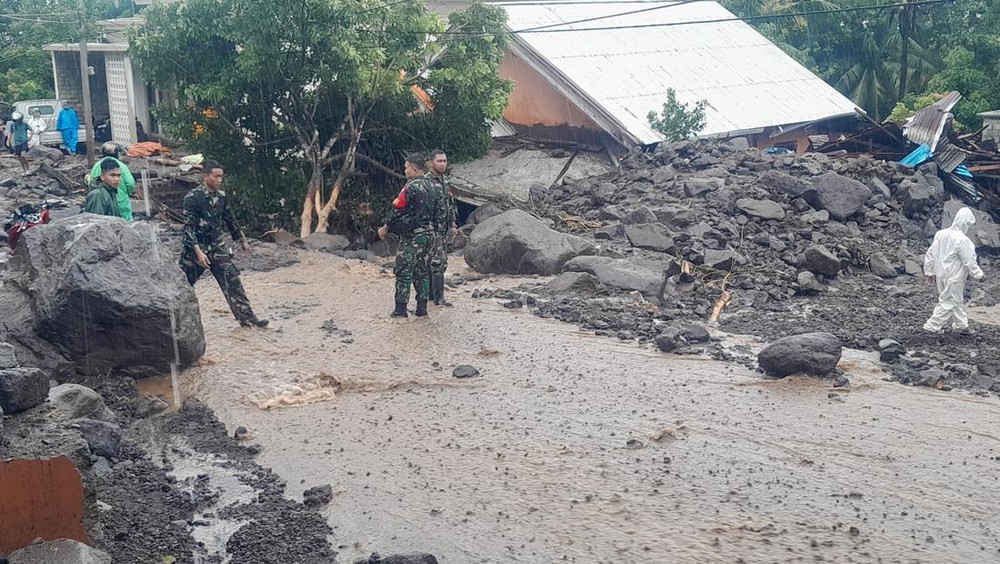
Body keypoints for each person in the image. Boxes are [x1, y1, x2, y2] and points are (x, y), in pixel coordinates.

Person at [179, 160, 268, 328]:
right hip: (196, 247)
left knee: (232, 279)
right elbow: (188, 227)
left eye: (221, 176)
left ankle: (248, 319)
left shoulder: (221, 197)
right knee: (183, 284)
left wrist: (242, 240)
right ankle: (175, 319)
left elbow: (230, 219)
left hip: (216, 246)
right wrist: (198, 252)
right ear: (205, 176)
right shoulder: (192, 198)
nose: (219, 180)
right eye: (216, 176)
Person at [377, 153, 443, 318]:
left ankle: (400, 310)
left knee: (403, 271)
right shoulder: (435, 187)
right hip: (430, 236)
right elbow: (441, 213)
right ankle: (422, 310)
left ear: (414, 169)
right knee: (422, 271)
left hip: (413, 237)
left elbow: (397, 209)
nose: (405, 171)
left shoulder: (410, 187)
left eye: (406, 168)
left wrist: (385, 227)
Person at [922, 207, 985, 335]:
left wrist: (929, 271)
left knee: (955, 300)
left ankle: (961, 325)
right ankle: (931, 327)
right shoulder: (963, 240)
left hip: (941, 274)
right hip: (954, 276)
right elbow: (969, 261)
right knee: (948, 301)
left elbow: (931, 253)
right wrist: (979, 275)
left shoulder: (941, 234)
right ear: (965, 223)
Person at [425, 149, 458, 307]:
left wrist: (452, 225)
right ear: (431, 162)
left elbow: (450, 205)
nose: (443, 164)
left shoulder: (445, 182)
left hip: (444, 229)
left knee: (437, 261)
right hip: (431, 230)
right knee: (439, 262)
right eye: (439, 161)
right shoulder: (425, 182)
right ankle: (438, 298)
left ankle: (432, 296)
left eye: (445, 161)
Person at [89, 142, 137, 220]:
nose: (116, 179)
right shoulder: (121, 166)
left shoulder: (97, 165)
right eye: (112, 175)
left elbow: (90, 181)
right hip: (121, 199)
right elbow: (130, 183)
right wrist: (127, 192)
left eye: (118, 176)